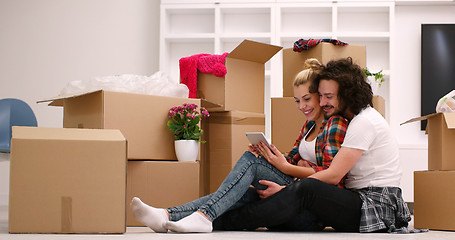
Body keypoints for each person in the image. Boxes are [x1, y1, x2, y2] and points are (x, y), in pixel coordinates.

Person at [130, 58, 349, 233]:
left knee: (251, 164)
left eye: (307, 99)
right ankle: (166, 216)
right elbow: (290, 159)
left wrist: (285, 178)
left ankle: (202, 217)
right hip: (292, 196)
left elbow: (330, 179)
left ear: (320, 97)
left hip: (311, 212)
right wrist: (269, 153)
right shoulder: (308, 127)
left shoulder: (335, 124)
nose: (302, 106)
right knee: (241, 193)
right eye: (297, 101)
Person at [213, 57, 425, 233]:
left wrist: (288, 189)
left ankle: (221, 222)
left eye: (328, 96)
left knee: (307, 189)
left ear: (347, 94)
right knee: (259, 195)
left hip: (375, 206)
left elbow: (333, 175)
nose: (322, 103)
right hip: (358, 198)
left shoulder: (364, 122)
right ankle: (201, 214)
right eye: (321, 96)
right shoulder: (350, 119)